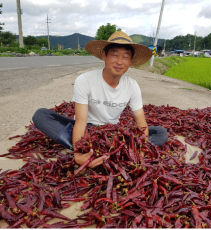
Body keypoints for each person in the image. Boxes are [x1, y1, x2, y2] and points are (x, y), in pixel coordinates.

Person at [32, 31, 168, 168]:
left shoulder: (132, 86)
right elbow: (80, 121)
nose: (119, 62)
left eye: (125, 57)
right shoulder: (85, 80)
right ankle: (108, 150)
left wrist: (140, 148)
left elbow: (141, 122)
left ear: (130, 61)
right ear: (104, 55)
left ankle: (100, 149)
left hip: (113, 132)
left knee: (161, 132)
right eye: (114, 55)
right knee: (41, 115)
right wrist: (78, 154)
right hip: (86, 129)